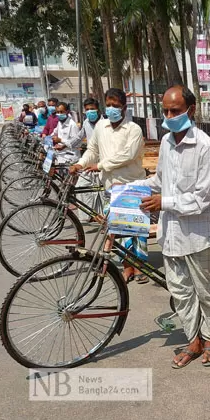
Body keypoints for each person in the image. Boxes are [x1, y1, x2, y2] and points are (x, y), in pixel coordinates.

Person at [135, 85, 210, 369]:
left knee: (204, 290)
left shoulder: (206, 147)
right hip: (170, 234)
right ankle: (193, 339)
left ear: (191, 110)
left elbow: (203, 198)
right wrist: (132, 189)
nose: (170, 116)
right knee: (181, 292)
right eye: (165, 111)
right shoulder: (166, 143)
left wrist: (164, 202)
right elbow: (160, 181)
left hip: (198, 235)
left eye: (175, 110)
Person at [69, 89, 146, 282]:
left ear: (124, 108)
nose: (111, 109)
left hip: (132, 184)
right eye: (109, 105)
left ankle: (140, 268)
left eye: (116, 106)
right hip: (110, 186)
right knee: (119, 231)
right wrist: (81, 163)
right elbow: (92, 150)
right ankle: (127, 267)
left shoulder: (133, 129)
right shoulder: (101, 127)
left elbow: (128, 155)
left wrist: (101, 165)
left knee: (135, 231)